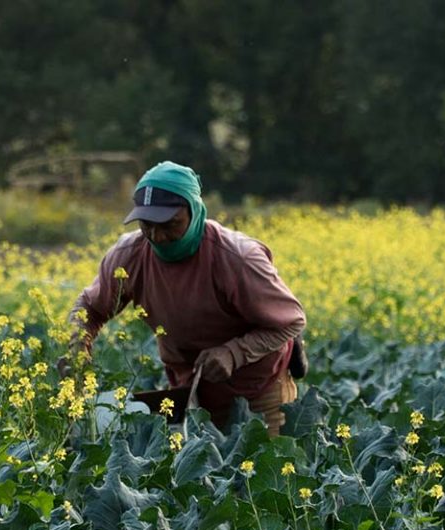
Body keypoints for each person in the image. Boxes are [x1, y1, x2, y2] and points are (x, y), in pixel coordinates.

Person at [67, 160, 306, 436]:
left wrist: (233, 353)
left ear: (194, 212)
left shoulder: (237, 258)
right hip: (189, 391)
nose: (157, 236)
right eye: (147, 225)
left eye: (170, 224)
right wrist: (77, 344)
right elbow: (89, 308)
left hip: (258, 389)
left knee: (263, 472)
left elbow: (291, 322)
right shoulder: (130, 255)